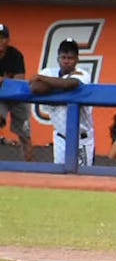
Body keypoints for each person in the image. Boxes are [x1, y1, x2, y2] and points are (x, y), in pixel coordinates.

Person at [28, 37, 93, 166]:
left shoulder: (83, 74)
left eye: (70, 58)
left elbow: (71, 83)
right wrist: (58, 84)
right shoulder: (49, 72)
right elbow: (35, 87)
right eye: (63, 57)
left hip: (81, 138)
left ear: (76, 60)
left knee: (83, 178)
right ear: (58, 58)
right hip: (60, 137)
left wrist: (42, 78)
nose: (66, 61)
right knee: (59, 177)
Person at [0, 23, 32, 160]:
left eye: (2, 38)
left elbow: (19, 81)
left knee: (25, 137)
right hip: (0, 97)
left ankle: (29, 170)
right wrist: (5, 80)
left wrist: (3, 81)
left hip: (17, 98)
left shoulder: (15, 55)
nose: (0, 41)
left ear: (8, 40)